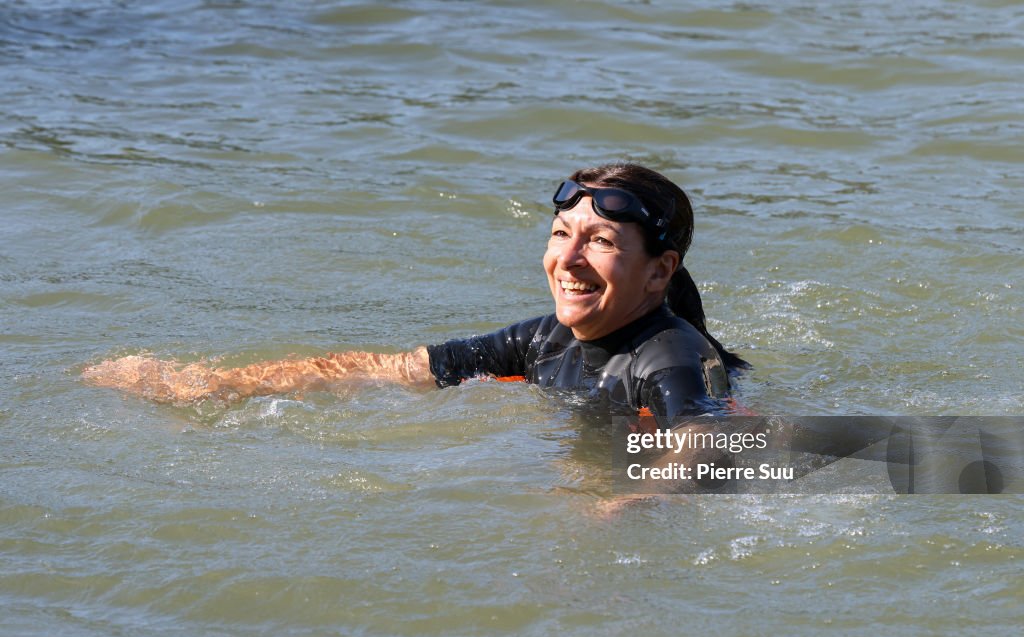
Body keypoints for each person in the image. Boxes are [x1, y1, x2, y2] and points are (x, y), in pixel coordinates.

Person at [82, 162, 746, 419]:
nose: (566, 259)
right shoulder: (543, 339)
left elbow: (704, 441)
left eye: (598, 241)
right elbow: (397, 368)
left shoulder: (669, 357)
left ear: (659, 271)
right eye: (559, 234)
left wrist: (631, 500)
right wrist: (220, 385)